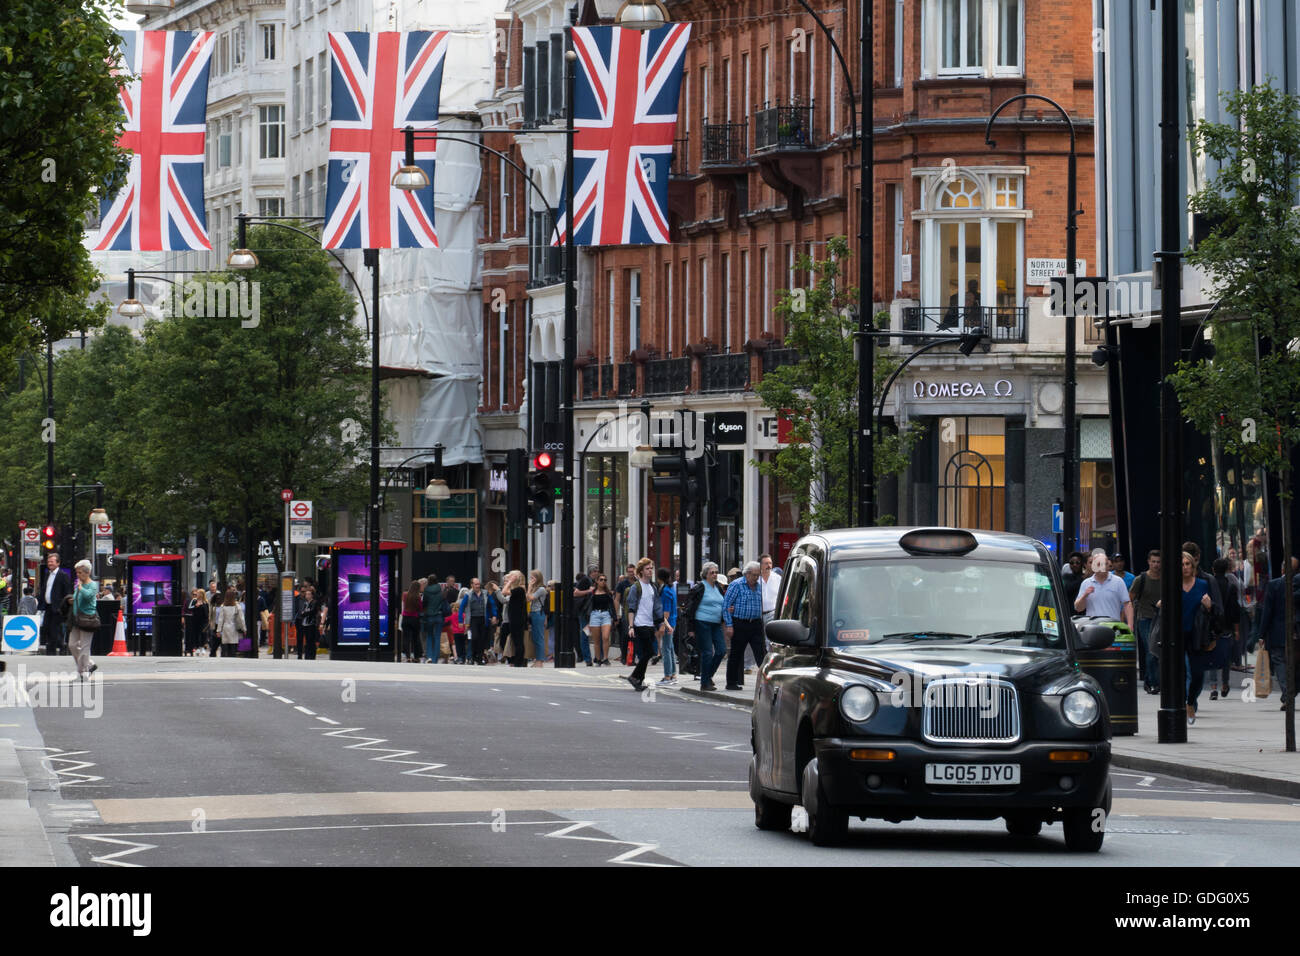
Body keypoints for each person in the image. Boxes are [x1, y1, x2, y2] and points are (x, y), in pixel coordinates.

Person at [1257, 557, 1300, 707]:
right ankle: (1290, 693)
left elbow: (1267, 612)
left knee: (1280, 663)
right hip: (1295, 632)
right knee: (1293, 665)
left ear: (1282, 569)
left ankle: (1287, 694)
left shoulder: (1274, 585)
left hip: (1278, 633)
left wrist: (1261, 634)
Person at [723, 561, 766, 691]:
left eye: (758, 575)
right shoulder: (736, 585)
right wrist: (729, 625)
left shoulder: (758, 586)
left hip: (756, 624)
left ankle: (766, 683)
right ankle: (731, 682)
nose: (756, 578)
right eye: (754, 575)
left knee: (762, 654)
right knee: (736, 654)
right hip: (740, 623)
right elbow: (725, 606)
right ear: (746, 574)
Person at [623, 558, 664, 692]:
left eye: (651, 568)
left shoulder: (653, 587)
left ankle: (638, 679)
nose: (650, 570)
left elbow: (657, 607)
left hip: (650, 623)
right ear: (641, 571)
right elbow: (631, 608)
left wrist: (662, 623)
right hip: (639, 624)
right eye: (647, 568)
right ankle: (635, 676)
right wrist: (630, 626)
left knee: (647, 653)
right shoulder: (636, 587)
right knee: (649, 652)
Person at [688, 563, 728, 691]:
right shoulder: (699, 587)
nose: (715, 574)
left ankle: (707, 676)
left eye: (716, 572)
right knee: (707, 652)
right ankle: (704, 684)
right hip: (702, 622)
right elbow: (690, 608)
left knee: (721, 650)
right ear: (705, 574)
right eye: (712, 572)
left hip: (716, 623)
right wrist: (691, 629)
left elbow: (723, 603)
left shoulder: (718, 587)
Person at [1073, 549, 1135, 631]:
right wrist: (1085, 595)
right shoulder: (1086, 583)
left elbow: (1127, 604)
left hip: (1114, 628)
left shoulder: (1118, 581)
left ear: (1108, 565)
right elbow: (1078, 608)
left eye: (1104, 564)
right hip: (1093, 629)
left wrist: (1130, 625)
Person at [1208, 557, 1241, 700]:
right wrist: (1237, 629)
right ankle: (1225, 684)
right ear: (1227, 569)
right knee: (1226, 657)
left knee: (1211, 654)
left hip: (1211, 625)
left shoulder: (1208, 584)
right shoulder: (1230, 586)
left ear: (1213, 570)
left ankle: (1213, 687)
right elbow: (1235, 609)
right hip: (1226, 625)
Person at [1129, 550, 1162, 693]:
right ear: (1149, 562)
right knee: (1151, 650)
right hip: (1144, 618)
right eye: (1153, 561)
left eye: (1158, 562)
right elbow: (1129, 599)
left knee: (1158, 651)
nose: (1155, 564)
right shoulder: (1140, 579)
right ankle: (1153, 682)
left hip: (1161, 619)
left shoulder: (1165, 578)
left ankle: (1149, 680)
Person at [67, 560, 99, 680]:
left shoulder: (92, 585)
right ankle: (89, 664)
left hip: (87, 618)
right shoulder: (79, 585)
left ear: (87, 572)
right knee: (72, 644)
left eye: (80, 572)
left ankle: (82, 672)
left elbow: (88, 596)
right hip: (76, 619)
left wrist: (80, 588)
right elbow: (77, 598)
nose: (78, 575)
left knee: (85, 647)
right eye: (77, 573)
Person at [37, 552, 73, 656]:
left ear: (58, 563)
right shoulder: (47, 574)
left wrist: (64, 607)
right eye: (48, 561)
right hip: (48, 606)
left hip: (58, 608)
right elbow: (45, 589)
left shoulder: (63, 575)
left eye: (52, 561)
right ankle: (51, 650)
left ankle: (61, 648)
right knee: (47, 628)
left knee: (55, 629)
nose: (50, 563)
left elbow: (67, 592)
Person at [458, 579, 496, 665]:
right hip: (473, 619)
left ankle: (479, 658)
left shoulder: (485, 593)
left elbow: (492, 604)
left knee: (482, 639)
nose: (477, 586)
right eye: (475, 584)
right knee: (474, 637)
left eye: (478, 584)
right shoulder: (468, 595)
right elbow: (461, 608)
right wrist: (460, 620)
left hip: (484, 619)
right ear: (471, 585)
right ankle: (473, 656)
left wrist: (494, 615)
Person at [655, 566, 679, 687]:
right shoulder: (670, 588)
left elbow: (666, 611)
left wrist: (664, 624)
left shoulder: (665, 591)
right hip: (672, 622)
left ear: (659, 577)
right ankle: (673, 674)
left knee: (665, 649)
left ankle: (667, 675)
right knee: (670, 648)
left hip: (668, 622)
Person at [588, 572, 617, 666]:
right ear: (596, 581)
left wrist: (615, 618)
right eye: (601, 580)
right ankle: (598, 658)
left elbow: (612, 606)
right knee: (596, 640)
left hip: (606, 615)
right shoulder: (592, 593)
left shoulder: (608, 593)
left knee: (605, 637)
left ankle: (605, 658)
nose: (603, 581)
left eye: (605, 580)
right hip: (595, 615)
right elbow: (588, 606)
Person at [573, 566, 598, 665]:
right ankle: (587, 659)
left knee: (595, 634)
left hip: (592, 611)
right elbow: (576, 593)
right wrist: (589, 591)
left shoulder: (593, 581)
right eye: (595, 571)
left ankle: (597, 657)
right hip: (584, 612)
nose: (597, 573)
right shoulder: (585, 580)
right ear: (591, 572)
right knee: (585, 634)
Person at [420, 576, 449, 663]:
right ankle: (435, 659)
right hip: (439, 616)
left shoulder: (427, 590)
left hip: (429, 616)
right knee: (437, 637)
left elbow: (424, 603)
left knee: (429, 636)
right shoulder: (440, 590)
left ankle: (430, 656)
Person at [504, 570, 527, 667]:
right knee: (516, 639)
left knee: (518, 640)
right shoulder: (518, 589)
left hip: (517, 618)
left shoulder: (520, 589)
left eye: (512, 577)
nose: (510, 578)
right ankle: (518, 660)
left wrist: (509, 582)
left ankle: (519, 661)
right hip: (515, 617)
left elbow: (504, 591)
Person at [214, 587, 245, 658]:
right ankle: (232, 657)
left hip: (225, 628)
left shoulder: (223, 606)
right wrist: (244, 629)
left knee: (225, 645)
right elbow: (241, 619)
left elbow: (220, 620)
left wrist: (218, 630)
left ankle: (225, 657)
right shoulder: (237, 606)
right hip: (234, 628)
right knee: (233, 645)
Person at [528, 570, 549, 667]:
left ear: (538, 578)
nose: (531, 580)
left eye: (532, 578)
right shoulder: (536, 588)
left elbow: (531, 598)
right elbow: (528, 598)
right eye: (530, 577)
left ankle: (540, 661)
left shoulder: (541, 589)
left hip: (538, 613)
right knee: (535, 637)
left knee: (539, 637)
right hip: (533, 613)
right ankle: (537, 659)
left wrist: (529, 587)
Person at [296, 584, 322, 660]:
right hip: (305, 623)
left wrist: (305, 612)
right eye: (306, 594)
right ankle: (307, 655)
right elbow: (302, 612)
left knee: (311, 640)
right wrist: (305, 612)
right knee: (307, 640)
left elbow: (311, 611)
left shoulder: (314, 602)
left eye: (308, 594)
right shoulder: (305, 603)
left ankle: (311, 655)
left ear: (312, 595)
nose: (307, 595)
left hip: (311, 623)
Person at [401, 580, 423, 662]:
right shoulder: (418, 597)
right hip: (414, 619)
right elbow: (420, 608)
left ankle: (407, 656)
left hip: (405, 618)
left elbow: (403, 604)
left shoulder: (405, 594)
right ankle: (416, 656)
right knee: (415, 638)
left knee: (406, 638)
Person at [759, 553, 782, 626]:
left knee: (770, 637)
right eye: (766, 563)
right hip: (757, 616)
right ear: (760, 565)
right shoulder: (756, 579)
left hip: (773, 615)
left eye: (770, 563)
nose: (769, 566)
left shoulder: (778, 578)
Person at [185, 588, 209, 656]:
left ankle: (203, 647)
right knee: (196, 634)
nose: (197, 594)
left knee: (203, 633)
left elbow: (207, 612)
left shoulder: (205, 602)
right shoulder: (194, 600)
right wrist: (195, 606)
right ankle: (197, 647)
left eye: (198, 593)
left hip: (203, 621)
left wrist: (208, 621)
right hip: (195, 620)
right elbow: (189, 608)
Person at [450, 587, 470, 662]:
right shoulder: (469, 601)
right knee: (466, 643)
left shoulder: (457, 602)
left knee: (458, 644)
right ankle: (466, 656)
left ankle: (460, 657)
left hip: (457, 629)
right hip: (466, 625)